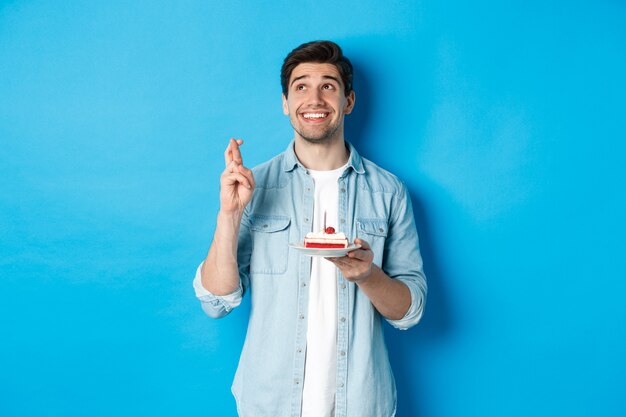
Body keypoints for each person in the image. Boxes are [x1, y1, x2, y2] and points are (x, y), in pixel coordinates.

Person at [193, 40, 427, 417]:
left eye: (328, 86)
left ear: (348, 101)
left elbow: (410, 311)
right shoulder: (255, 186)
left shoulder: (389, 192)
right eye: (301, 86)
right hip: (268, 404)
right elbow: (216, 302)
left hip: (362, 403)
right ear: (285, 102)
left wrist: (367, 275)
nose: (314, 99)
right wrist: (229, 214)